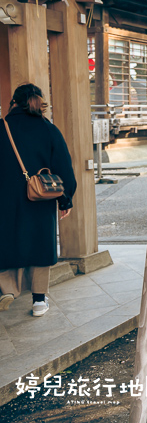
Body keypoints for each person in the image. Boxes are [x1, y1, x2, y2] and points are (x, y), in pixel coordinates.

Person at [0, 84, 76, 316]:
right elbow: (63, 167)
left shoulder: (3, 128)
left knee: (7, 240)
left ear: (14, 103)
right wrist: (65, 199)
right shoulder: (48, 129)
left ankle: (8, 290)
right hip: (40, 198)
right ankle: (39, 302)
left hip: (5, 199)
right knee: (39, 244)